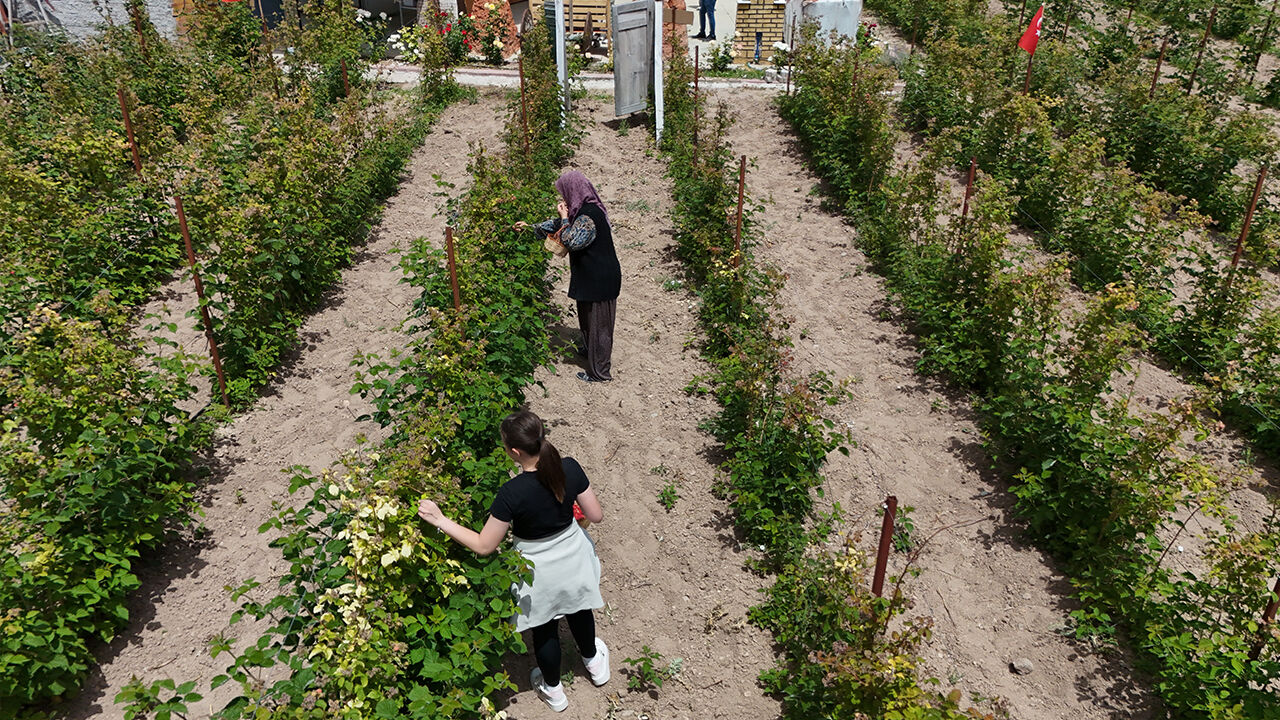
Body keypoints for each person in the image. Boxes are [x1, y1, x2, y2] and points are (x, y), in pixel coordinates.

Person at [416, 410, 608, 713]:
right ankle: (594, 664)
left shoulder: (512, 493)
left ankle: (554, 691)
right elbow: (595, 515)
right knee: (579, 606)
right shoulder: (568, 468)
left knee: (544, 627)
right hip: (574, 558)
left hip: (538, 570)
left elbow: (484, 545)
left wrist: (440, 520)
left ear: (515, 452)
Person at [515, 170, 621, 383]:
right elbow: (555, 226)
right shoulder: (580, 212)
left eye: (565, 192)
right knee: (588, 317)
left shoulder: (588, 216)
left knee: (599, 324)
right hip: (591, 276)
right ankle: (590, 351)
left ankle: (600, 373)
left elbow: (571, 240)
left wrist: (564, 218)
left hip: (600, 279)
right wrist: (529, 229)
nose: (563, 198)